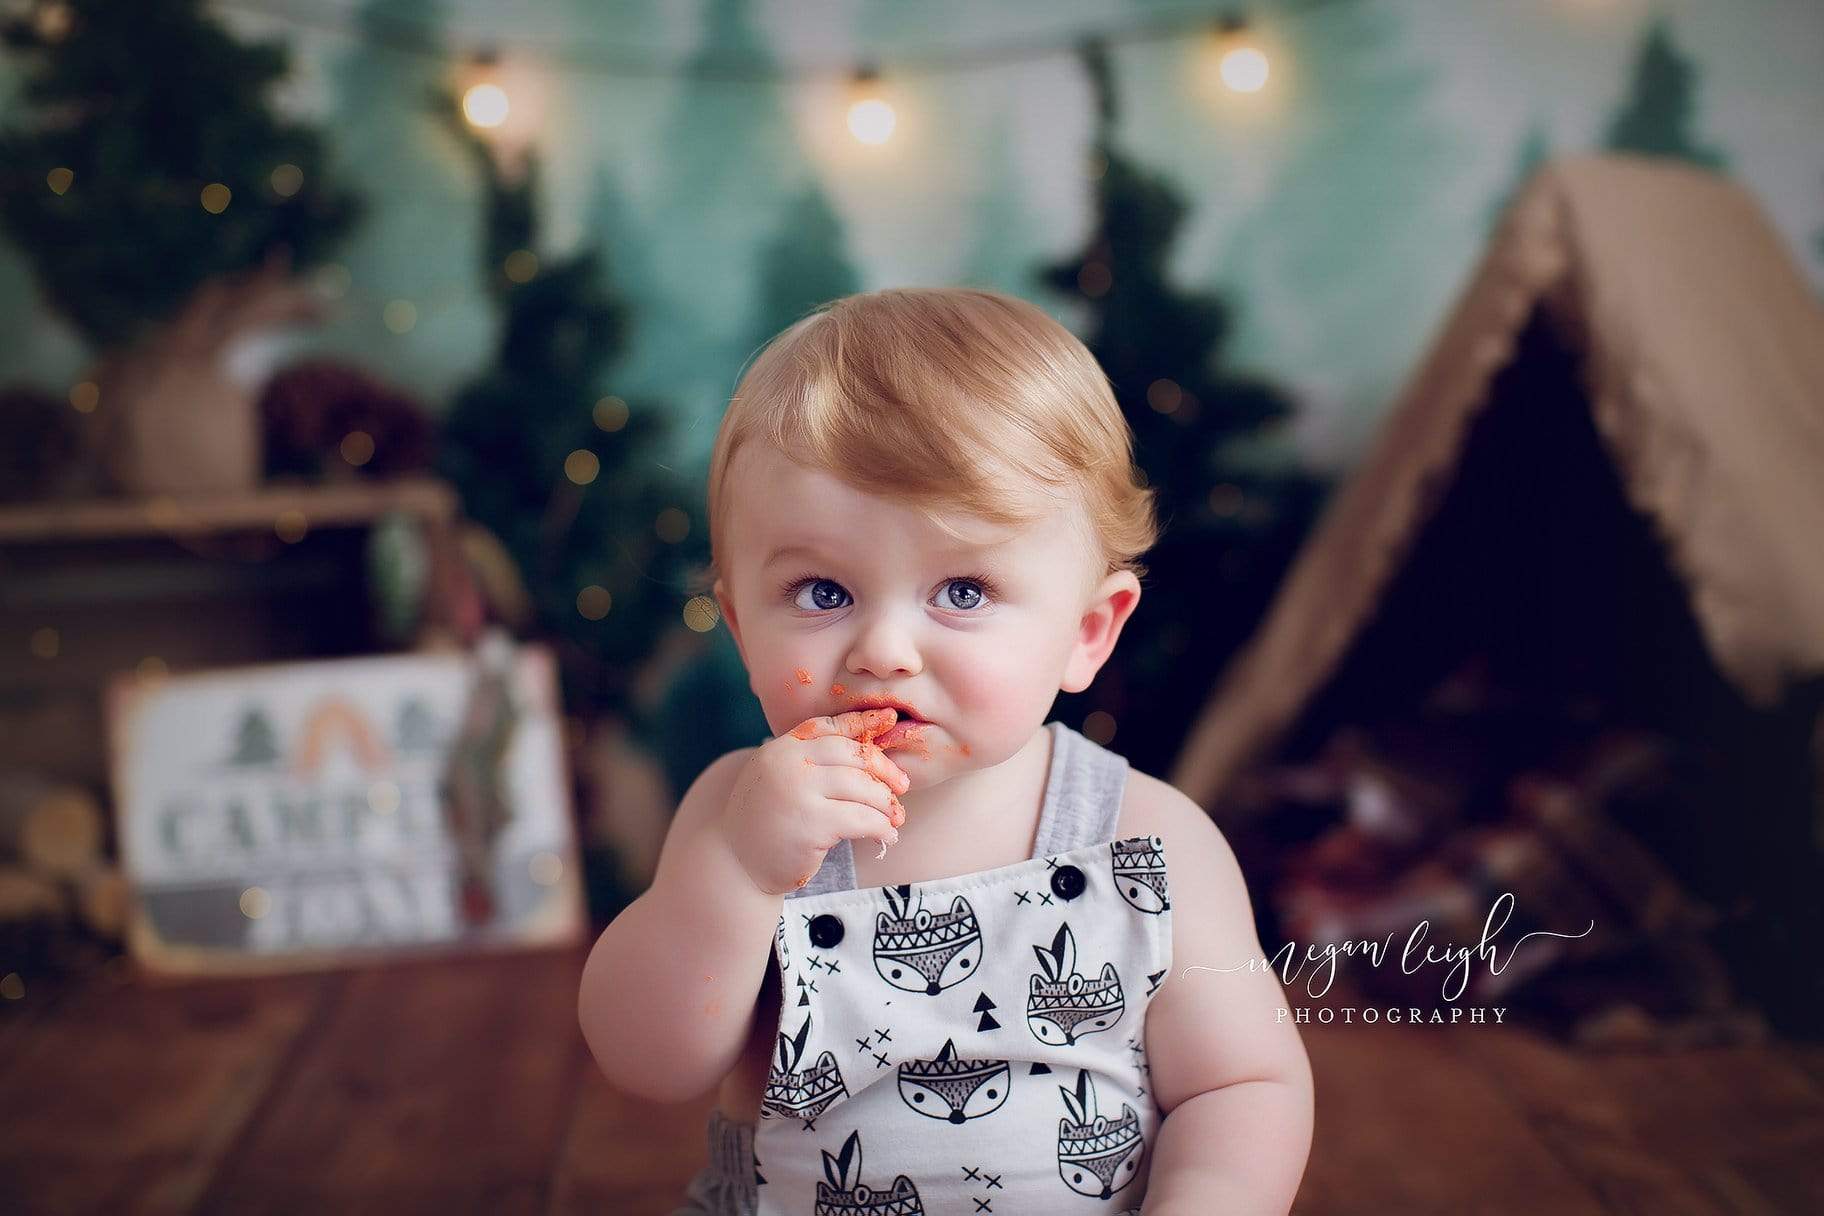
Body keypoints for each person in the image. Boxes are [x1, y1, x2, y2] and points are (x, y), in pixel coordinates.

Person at [579, 288, 1312, 1215]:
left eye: (962, 591)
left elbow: (1239, 1086)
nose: (884, 650)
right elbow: (647, 1061)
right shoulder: (741, 818)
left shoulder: (1146, 840)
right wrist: (733, 876)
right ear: (738, 625)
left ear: (1089, 631)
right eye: (820, 592)